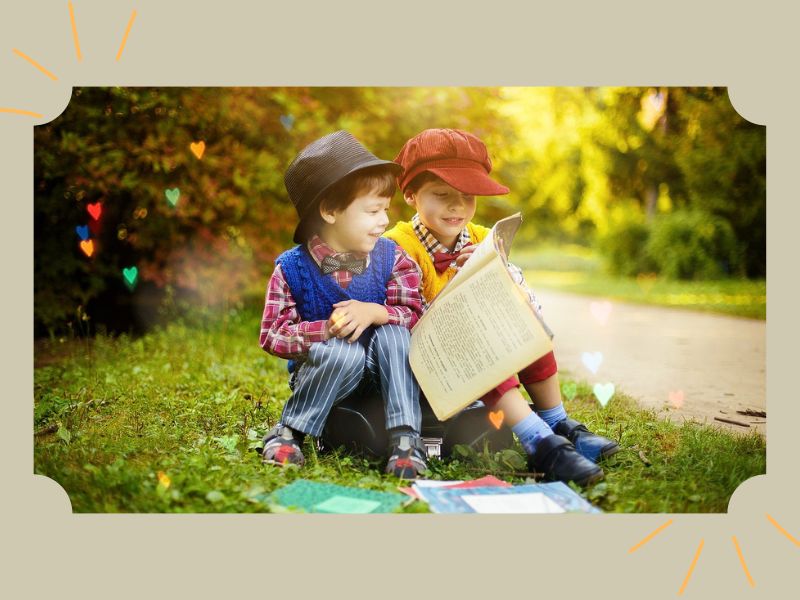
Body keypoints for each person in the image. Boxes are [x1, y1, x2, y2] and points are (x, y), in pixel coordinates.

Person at [384, 128, 619, 486]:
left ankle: (557, 421)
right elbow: (405, 321)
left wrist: (496, 274)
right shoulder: (397, 246)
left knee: (525, 325)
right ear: (412, 195)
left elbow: (521, 298)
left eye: (467, 196)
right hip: (425, 362)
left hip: (475, 354)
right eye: (442, 195)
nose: (457, 206)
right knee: (479, 341)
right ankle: (539, 442)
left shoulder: (481, 238)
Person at [259, 130, 427, 479]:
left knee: (394, 335)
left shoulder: (392, 258)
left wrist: (376, 312)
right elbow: (273, 335)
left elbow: (414, 313)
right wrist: (325, 331)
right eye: (373, 210)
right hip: (332, 377)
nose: (384, 220)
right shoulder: (291, 269)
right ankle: (290, 432)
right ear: (331, 210)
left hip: (386, 375)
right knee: (342, 350)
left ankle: (406, 441)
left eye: (385, 209)